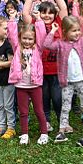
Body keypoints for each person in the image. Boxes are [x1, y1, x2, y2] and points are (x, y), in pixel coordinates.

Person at [43, 16, 83, 147]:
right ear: (65, 31)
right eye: (73, 31)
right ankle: (61, 131)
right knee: (65, 107)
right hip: (67, 82)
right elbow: (46, 45)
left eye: (78, 30)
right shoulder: (60, 44)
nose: (77, 33)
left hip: (82, 81)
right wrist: (52, 31)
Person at [22, 0, 68, 133]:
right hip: (40, 71)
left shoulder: (59, 24)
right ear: (39, 14)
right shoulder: (35, 24)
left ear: (54, 15)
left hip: (57, 70)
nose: (47, 15)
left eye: (50, 13)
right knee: (44, 98)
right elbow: (25, 14)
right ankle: (47, 122)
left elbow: (64, 9)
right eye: (44, 13)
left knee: (58, 99)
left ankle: (63, 122)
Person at [7, 15, 49, 145]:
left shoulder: (38, 49)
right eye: (24, 38)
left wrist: (39, 21)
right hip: (21, 85)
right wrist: (12, 20)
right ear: (20, 37)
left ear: (35, 39)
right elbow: (11, 35)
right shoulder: (17, 48)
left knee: (39, 110)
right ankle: (24, 134)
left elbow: (42, 35)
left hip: (35, 85)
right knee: (23, 112)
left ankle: (44, 133)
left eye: (30, 39)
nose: (27, 41)